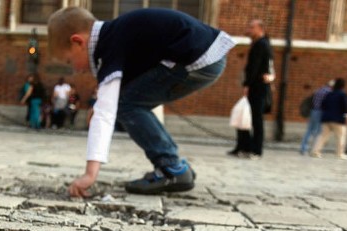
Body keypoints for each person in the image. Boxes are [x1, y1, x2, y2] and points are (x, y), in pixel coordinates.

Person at [47, 7, 236, 197]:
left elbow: (106, 114)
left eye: (70, 61)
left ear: (78, 41)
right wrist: (101, 106)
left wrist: (90, 174)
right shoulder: (116, 34)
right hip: (205, 53)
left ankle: (172, 168)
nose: (75, 71)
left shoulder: (108, 47)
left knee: (126, 105)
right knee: (130, 102)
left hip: (197, 57)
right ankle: (175, 166)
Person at [229, 19, 273, 159]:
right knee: (247, 116)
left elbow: (255, 67)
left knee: (256, 119)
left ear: (260, 29)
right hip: (257, 85)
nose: (249, 30)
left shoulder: (261, 44)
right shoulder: (261, 44)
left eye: (252, 27)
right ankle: (244, 146)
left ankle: (256, 150)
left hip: (257, 86)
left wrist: (247, 84)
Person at [310, 78, 347, 160]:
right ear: (343, 86)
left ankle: (315, 151)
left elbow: (323, 105)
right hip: (338, 119)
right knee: (340, 137)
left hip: (326, 118)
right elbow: (345, 107)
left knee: (322, 136)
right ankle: (339, 153)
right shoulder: (343, 95)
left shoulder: (329, 94)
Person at [300, 80, 334, 155]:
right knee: (319, 132)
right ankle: (314, 149)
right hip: (321, 112)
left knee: (309, 130)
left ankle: (303, 148)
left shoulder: (319, 90)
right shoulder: (329, 92)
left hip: (313, 111)